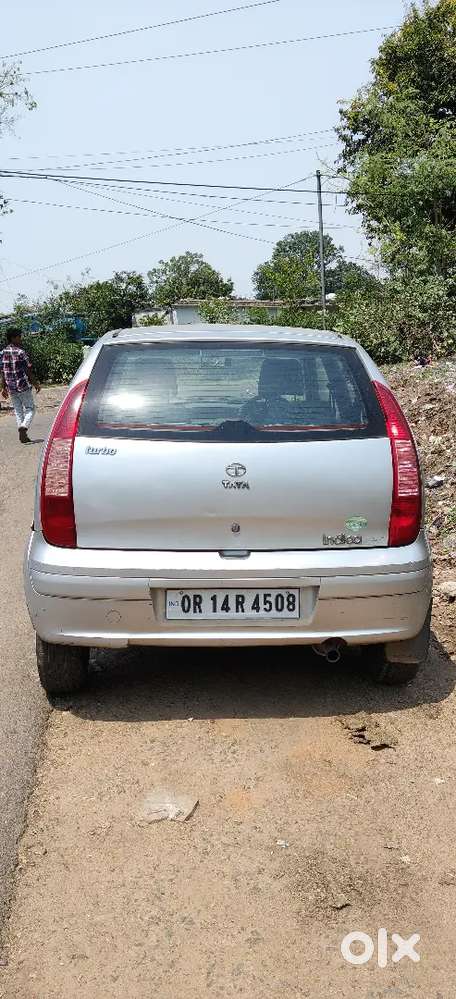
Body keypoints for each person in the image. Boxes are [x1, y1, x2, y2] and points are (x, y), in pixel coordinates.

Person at [1, 328, 41, 444]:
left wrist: (3, 387)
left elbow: (2, 371)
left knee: (18, 411)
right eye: (19, 336)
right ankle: (24, 427)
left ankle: (22, 433)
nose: (20, 338)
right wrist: (36, 383)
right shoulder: (20, 352)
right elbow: (28, 370)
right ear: (13, 338)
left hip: (11, 387)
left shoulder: (2, 353)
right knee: (31, 409)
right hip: (23, 385)